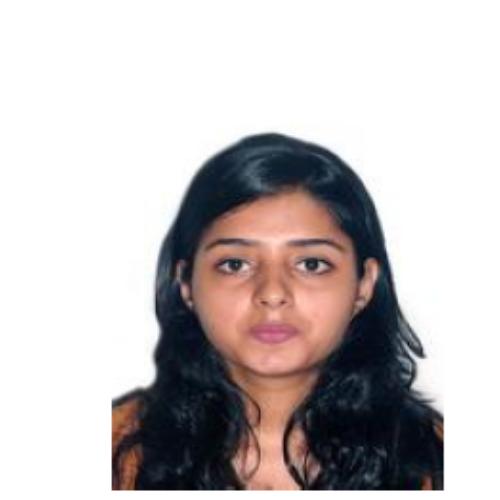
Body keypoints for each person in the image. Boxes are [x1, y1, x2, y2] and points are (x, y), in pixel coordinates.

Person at [112, 133, 443, 490]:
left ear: (363, 285)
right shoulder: (114, 447)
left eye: (312, 264)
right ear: (186, 284)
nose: (272, 294)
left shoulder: (436, 461)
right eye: (235, 264)